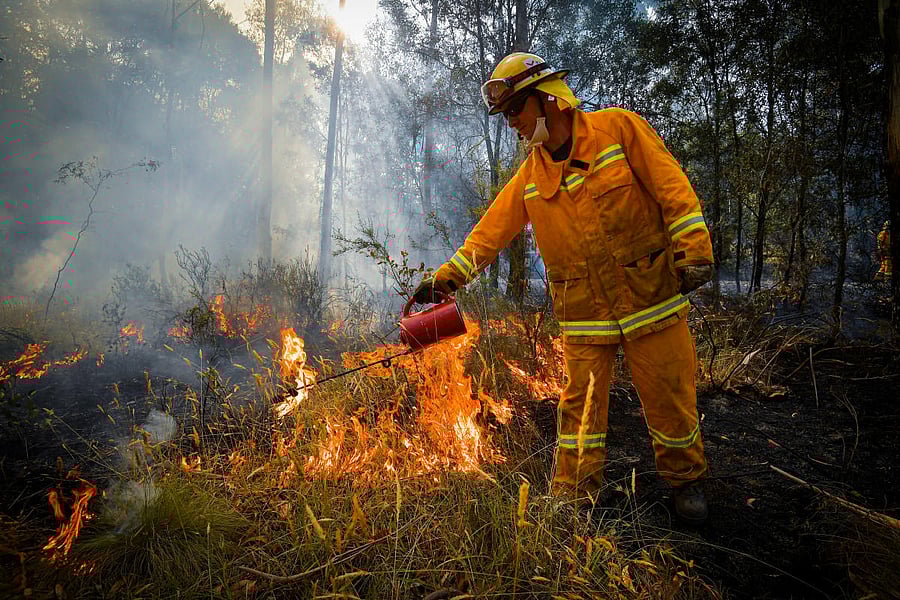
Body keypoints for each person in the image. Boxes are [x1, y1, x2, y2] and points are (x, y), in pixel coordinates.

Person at [411, 52, 715, 524]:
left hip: (650, 297)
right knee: (579, 416)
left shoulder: (620, 130)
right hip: (586, 314)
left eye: (516, 110)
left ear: (547, 100)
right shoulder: (531, 176)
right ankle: (572, 500)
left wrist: (693, 247)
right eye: (506, 114)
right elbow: (489, 233)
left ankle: (686, 483)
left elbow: (672, 186)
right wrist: (446, 277)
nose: (511, 122)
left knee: (670, 396)